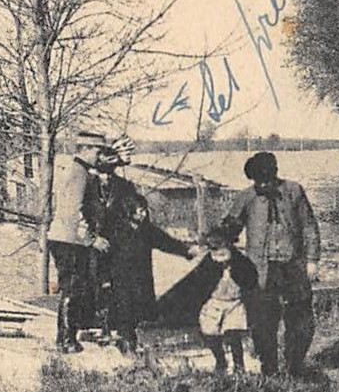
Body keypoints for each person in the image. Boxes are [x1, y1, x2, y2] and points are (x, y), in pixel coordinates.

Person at [219, 151, 322, 376]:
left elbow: (309, 227)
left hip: (292, 266)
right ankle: (270, 370)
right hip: (260, 270)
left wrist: (312, 260)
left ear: (274, 174)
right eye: (258, 181)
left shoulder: (294, 192)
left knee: (300, 320)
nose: (262, 185)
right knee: (262, 322)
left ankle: (295, 366)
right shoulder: (246, 198)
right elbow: (230, 230)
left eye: (266, 180)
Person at [100, 180, 194, 354]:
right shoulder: (115, 231)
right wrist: (104, 278)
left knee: (139, 310)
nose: (143, 214)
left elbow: (166, 242)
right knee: (124, 310)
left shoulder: (146, 230)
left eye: (145, 210)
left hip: (141, 278)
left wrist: (185, 251)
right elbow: (104, 257)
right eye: (139, 211)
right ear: (129, 211)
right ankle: (126, 343)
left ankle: (131, 341)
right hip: (120, 279)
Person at [47, 131, 108, 352]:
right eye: (98, 151)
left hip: (67, 238)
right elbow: (74, 213)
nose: (100, 156)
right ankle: (65, 340)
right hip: (68, 240)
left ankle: (68, 337)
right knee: (71, 288)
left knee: (74, 287)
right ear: (86, 149)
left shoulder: (79, 171)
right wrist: (92, 240)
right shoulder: (78, 173)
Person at [195, 227, 259, 374]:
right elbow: (198, 284)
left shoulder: (240, 262)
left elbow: (251, 279)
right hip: (214, 301)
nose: (219, 258)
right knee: (209, 332)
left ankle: (239, 365)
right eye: (215, 254)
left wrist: (239, 277)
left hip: (234, 302)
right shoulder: (208, 263)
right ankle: (220, 360)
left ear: (230, 247)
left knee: (233, 333)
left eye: (223, 254)